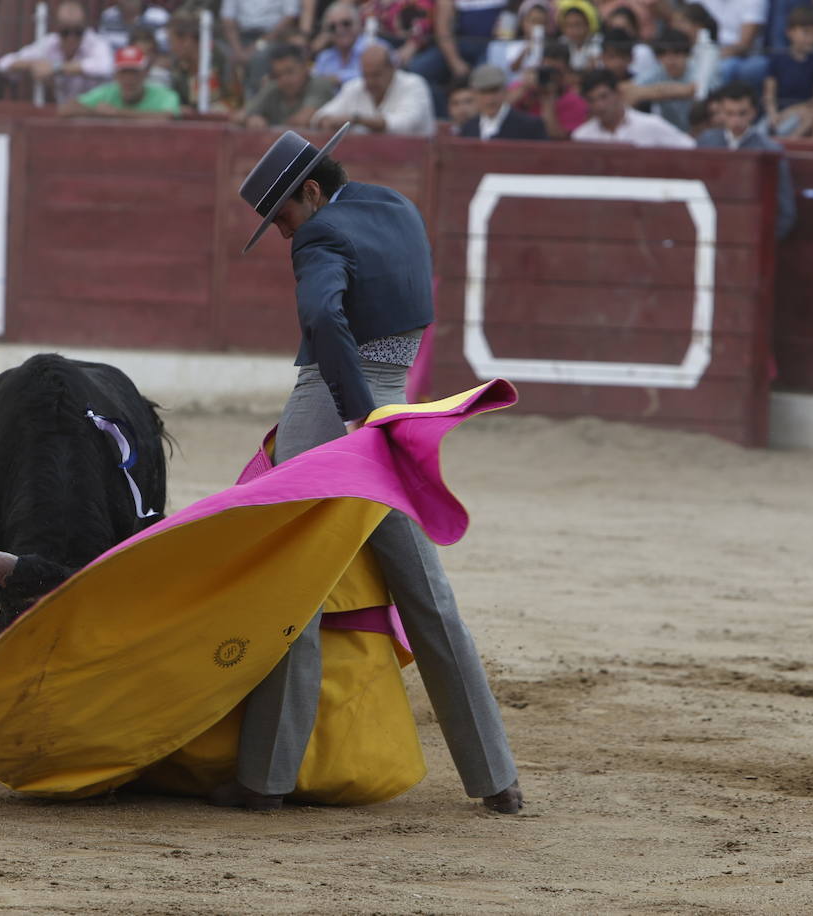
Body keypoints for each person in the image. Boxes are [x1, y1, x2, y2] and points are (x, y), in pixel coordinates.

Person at [218, 125, 523, 815]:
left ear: (312, 190)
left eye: (283, 216)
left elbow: (325, 319)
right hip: (397, 411)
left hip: (333, 415)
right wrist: (377, 411)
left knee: (291, 589)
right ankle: (495, 776)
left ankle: (265, 779)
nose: (281, 234)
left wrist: (354, 414)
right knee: (428, 596)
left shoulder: (318, 237)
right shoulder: (396, 206)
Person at [696, 81, 797, 239]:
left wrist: (765, 240)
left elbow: (785, 209)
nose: (736, 121)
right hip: (709, 232)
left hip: (753, 234)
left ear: (753, 113)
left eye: (742, 113)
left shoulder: (769, 150)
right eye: (730, 113)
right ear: (721, 113)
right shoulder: (706, 142)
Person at [0, 0, 113, 105]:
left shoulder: (96, 43)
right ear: (57, 28)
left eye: (78, 31)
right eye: (65, 32)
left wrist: (56, 68)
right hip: (62, 112)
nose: (71, 38)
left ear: (85, 27)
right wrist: (32, 64)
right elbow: (3, 64)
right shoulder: (50, 44)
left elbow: (106, 67)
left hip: (94, 112)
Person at [311, 43, 437, 136]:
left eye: (376, 75)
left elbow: (404, 125)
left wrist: (357, 119)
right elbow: (319, 117)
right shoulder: (355, 86)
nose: (370, 81)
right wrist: (326, 121)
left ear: (391, 68)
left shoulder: (414, 85)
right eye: (366, 75)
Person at [572, 67, 697, 146]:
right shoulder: (582, 136)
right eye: (592, 100)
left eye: (604, 97)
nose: (599, 106)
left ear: (618, 94)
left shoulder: (651, 125)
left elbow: (688, 146)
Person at [59, 44, 180, 119]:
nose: (129, 79)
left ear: (145, 73)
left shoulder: (164, 95)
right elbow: (66, 109)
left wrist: (116, 114)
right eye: (124, 72)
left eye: (134, 72)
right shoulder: (107, 93)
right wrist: (96, 113)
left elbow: (166, 117)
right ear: (116, 75)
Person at [763, 6, 813, 137]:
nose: (811, 38)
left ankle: (789, 145)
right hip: (778, 115)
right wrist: (773, 114)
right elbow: (769, 94)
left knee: (812, 115)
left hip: (803, 113)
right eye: (806, 32)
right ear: (790, 32)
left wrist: (795, 110)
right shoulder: (777, 59)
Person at [239, 42, 339, 128]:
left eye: (289, 72)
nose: (284, 79)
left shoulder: (319, 84)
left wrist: (268, 125)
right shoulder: (273, 86)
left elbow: (302, 121)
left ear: (305, 68)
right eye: (278, 75)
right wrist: (250, 119)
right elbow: (240, 116)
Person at [510, 39, 589, 138]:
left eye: (556, 72)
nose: (551, 76)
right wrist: (524, 87)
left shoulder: (575, 101)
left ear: (567, 70)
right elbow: (495, 108)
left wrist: (547, 101)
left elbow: (554, 138)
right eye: (547, 70)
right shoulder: (525, 87)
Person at [221, 0, 300, 92]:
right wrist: (237, 50)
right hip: (240, 37)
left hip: (273, 37)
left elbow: (290, 16)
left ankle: (255, 97)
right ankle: (227, 97)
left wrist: (257, 46)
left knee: (259, 58)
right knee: (226, 55)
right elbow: (227, 17)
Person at [631, 29, 698, 131]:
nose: (670, 60)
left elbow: (698, 90)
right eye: (664, 54)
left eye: (676, 53)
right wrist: (668, 91)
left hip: (697, 132)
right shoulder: (656, 72)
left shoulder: (698, 72)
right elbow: (629, 92)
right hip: (667, 134)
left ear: (687, 54)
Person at [458, 62, 546, 138]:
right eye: (484, 92)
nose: (490, 98)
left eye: (494, 91)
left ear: (505, 91)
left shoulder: (531, 126)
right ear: (474, 94)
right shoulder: (468, 128)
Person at [312, 2, 385, 84]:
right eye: (332, 27)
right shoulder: (324, 58)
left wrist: (338, 78)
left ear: (358, 24)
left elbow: (380, 75)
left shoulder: (373, 46)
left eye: (346, 23)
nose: (339, 30)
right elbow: (314, 83)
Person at [98, 0, 170, 52]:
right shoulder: (108, 16)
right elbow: (101, 46)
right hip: (114, 66)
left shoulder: (159, 17)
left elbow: (166, 49)